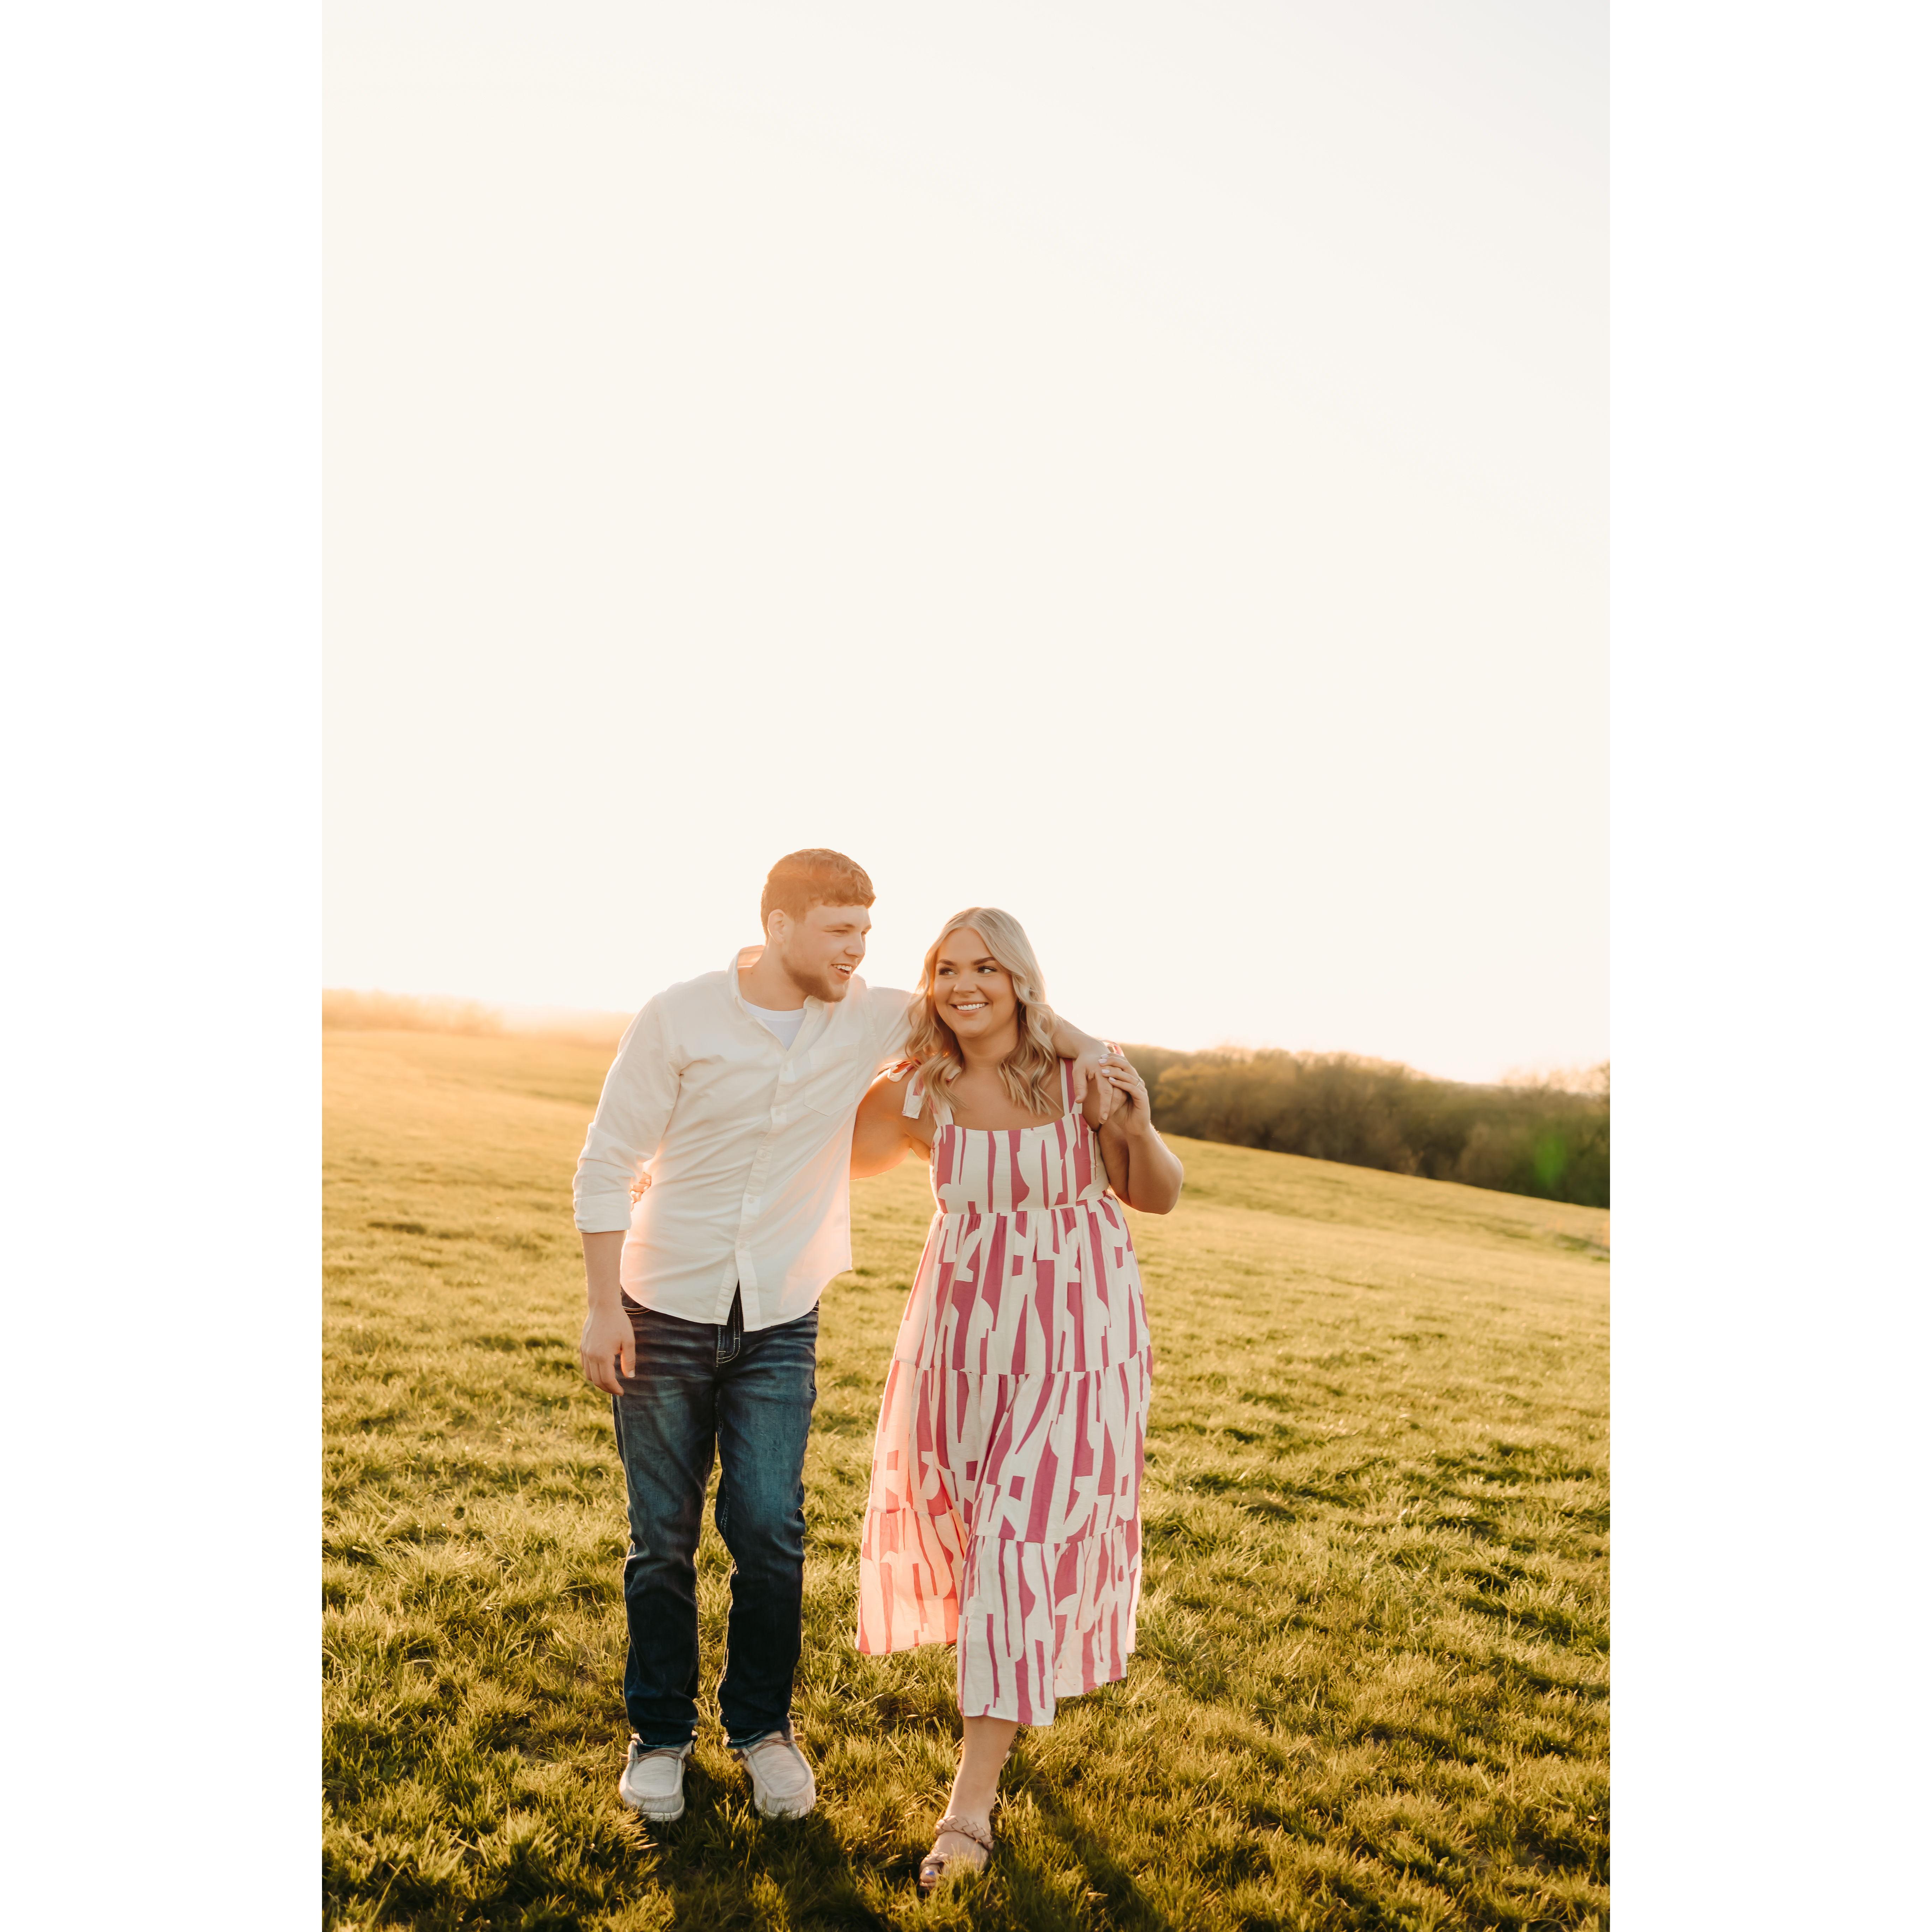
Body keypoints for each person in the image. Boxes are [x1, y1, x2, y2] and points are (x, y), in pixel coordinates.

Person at [572, 852, 1119, 1826]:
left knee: (770, 1535)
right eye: (839, 931)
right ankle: (659, 1737)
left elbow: (1006, 1011)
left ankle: (761, 1731)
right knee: (662, 1541)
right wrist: (603, 1305)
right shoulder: (680, 1016)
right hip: (660, 1306)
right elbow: (608, 1160)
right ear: (779, 926)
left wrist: (1101, 1058)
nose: (858, 950)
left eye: (866, 933)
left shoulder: (873, 1018)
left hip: (781, 1314)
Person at [848, 907, 1184, 1890]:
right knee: (976, 1536)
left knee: (1018, 1543)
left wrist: (1136, 1120)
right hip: (962, 1341)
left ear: (1021, 980)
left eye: (986, 969)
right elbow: (820, 1149)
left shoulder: (1081, 1079)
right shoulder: (922, 1090)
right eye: (947, 969)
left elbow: (1157, 1194)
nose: (965, 986)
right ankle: (1010, 1688)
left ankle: (970, 1809)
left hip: (1080, 1345)